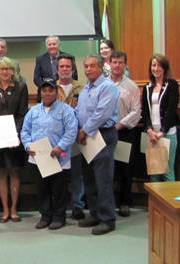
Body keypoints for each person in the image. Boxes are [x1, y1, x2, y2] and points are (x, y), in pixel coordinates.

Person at [21, 80, 77, 230]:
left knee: (59, 189)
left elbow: (71, 131)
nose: (47, 93)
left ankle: (59, 217)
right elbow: (25, 131)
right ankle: (45, 216)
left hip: (59, 157)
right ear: (40, 92)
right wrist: (27, 145)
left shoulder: (66, 110)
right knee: (42, 188)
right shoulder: (33, 111)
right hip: (39, 159)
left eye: (50, 90)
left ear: (56, 92)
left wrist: (60, 147)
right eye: (44, 90)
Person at [76, 55, 119, 235]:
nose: (88, 69)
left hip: (102, 135)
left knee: (103, 179)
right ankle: (94, 213)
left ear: (101, 67)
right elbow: (79, 111)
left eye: (92, 66)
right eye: (86, 66)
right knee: (89, 178)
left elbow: (102, 114)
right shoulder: (86, 88)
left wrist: (84, 130)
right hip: (86, 137)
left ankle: (108, 219)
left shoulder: (107, 87)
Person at [0, 57, 28, 223]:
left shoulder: (21, 87)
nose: (5, 72)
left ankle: (14, 208)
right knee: (1, 172)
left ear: (13, 71)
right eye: (1, 69)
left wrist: (14, 132)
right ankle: (5, 209)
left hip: (15, 136)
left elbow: (23, 112)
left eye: (8, 69)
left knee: (15, 171)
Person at [109, 51, 141, 217]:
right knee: (109, 169)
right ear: (110, 64)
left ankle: (124, 202)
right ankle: (109, 203)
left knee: (124, 170)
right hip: (106, 132)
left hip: (124, 132)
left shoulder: (131, 86)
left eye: (120, 62)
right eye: (114, 62)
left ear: (125, 65)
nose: (117, 65)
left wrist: (120, 125)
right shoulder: (104, 84)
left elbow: (136, 112)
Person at [55, 53, 85, 220]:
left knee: (77, 173)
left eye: (67, 66)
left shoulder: (82, 88)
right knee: (58, 174)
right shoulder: (50, 87)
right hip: (57, 139)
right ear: (57, 69)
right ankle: (58, 205)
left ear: (72, 69)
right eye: (61, 67)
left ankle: (77, 205)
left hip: (75, 138)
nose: (65, 69)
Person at [141, 54, 179, 182]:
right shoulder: (147, 87)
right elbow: (145, 112)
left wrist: (162, 132)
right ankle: (155, 202)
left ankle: (170, 202)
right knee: (154, 172)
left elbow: (171, 110)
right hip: (151, 135)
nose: (156, 68)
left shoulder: (172, 84)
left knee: (167, 171)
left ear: (165, 68)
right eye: (153, 65)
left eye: (159, 65)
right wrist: (150, 130)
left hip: (167, 133)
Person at [33, 35, 78, 100]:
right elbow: (36, 78)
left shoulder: (69, 57)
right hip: (46, 95)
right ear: (46, 46)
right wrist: (47, 88)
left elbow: (74, 76)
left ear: (59, 45)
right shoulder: (40, 59)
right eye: (49, 44)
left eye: (54, 44)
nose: (52, 46)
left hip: (66, 94)